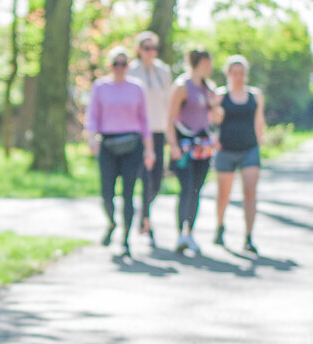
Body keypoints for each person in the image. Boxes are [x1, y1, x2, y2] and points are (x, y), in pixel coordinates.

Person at [84, 46, 155, 257]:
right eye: (116, 63)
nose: (119, 68)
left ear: (128, 66)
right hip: (108, 143)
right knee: (107, 192)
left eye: (123, 64)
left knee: (128, 193)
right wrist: (91, 138)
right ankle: (112, 222)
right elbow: (93, 115)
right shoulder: (100, 86)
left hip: (132, 145)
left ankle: (125, 238)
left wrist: (149, 149)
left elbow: (144, 120)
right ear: (110, 65)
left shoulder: (137, 87)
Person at [165, 48, 220, 255]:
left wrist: (214, 104)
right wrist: (173, 146)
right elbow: (170, 118)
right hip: (184, 145)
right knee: (186, 188)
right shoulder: (182, 86)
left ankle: (190, 233)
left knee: (197, 190)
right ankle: (181, 232)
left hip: (203, 146)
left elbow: (216, 118)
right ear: (201, 62)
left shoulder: (209, 88)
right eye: (209, 62)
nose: (211, 66)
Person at [212, 54, 266, 254]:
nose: (238, 77)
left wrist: (260, 140)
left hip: (249, 149)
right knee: (223, 194)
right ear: (228, 74)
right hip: (226, 150)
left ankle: (249, 236)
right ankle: (220, 226)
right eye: (234, 73)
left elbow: (259, 120)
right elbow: (211, 121)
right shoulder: (220, 95)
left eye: (241, 73)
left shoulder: (255, 95)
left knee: (250, 192)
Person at [125, 30, 173, 247]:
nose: (151, 52)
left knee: (156, 180)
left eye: (154, 48)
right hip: (137, 132)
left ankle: (144, 212)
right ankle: (146, 221)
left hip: (158, 129)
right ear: (139, 50)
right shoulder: (131, 71)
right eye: (147, 48)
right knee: (143, 177)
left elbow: (168, 102)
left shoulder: (164, 71)